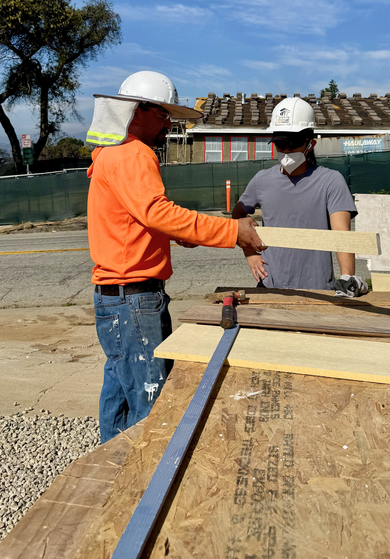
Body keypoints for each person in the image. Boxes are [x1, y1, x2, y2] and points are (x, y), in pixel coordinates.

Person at [86, 70, 265, 442]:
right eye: (164, 115)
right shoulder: (134, 153)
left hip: (115, 298)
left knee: (120, 393)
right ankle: (141, 484)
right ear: (140, 110)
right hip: (134, 299)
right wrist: (233, 232)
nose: (169, 124)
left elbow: (138, 217)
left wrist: (172, 232)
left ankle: (111, 468)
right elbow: (156, 212)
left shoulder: (110, 153)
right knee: (150, 400)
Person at [232, 97, 368, 296]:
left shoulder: (331, 181)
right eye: (280, 144)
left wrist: (347, 278)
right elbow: (237, 219)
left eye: (293, 144)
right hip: (271, 288)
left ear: (310, 144)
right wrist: (250, 253)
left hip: (319, 291)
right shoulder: (262, 180)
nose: (286, 151)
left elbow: (342, 236)